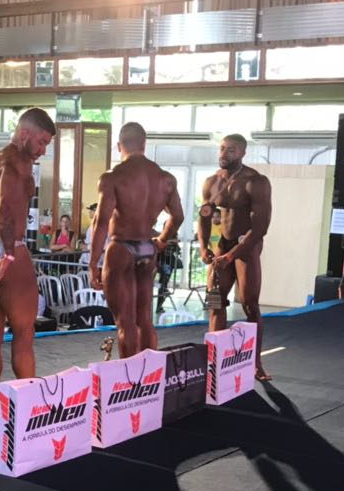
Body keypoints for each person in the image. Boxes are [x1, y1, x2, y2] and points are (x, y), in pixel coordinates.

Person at [0, 106, 56, 427]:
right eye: (42, 142)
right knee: (23, 334)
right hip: (7, 250)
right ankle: (27, 413)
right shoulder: (19, 163)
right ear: (25, 133)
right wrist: (7, 255)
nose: (43, 150)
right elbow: (5, 209)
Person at [88, 122, 185, 358]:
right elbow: (178, 217)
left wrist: (93, 264)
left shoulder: (113, 177)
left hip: (121, 247)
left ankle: (129, 377)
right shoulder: (165, 178)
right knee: (144, 320)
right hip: (147, 248)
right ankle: (151, 372)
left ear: (119, 146)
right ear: (144, 144)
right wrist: (161, 240)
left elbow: (101, 223)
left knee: (126, 323)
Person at [197, 133, 273, 381]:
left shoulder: (256, 182)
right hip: (224, 245)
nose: (224, 153)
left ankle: (256, 364)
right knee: (215, 302)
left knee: (250, 304)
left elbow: (260, 228)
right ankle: (213, 361)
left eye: (230, 150)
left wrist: (232, 256)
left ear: (242, 153)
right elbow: (204, 215)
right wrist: (203, 247)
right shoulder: (211, 182)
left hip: (247, 246)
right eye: (222, 148)